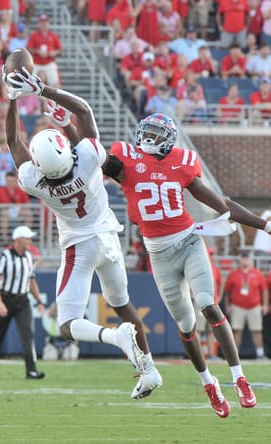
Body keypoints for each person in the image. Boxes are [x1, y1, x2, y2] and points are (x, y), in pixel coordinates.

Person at [2, 66, 162, 400]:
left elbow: (13, 141)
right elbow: (84, 112)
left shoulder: (36, 182)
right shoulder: (87, 159)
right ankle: (149, 370)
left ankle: (116, 338)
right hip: (109, 239)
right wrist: (44, 91)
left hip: (79, 246)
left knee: (67, 324)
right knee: (123, 304)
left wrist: (12, 99)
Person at [104, 112, 271, 417]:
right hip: (159, 255)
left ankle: (239, 377)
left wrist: (264, 225)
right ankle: (209, 383)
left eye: (156, 134)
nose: (149, 139)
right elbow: (95, 157)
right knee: (186, 324)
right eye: (148, 132)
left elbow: (222, 204)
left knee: (208, 304)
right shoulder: (125, 159)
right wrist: (68, 126)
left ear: (169, 140)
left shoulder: (182, 163)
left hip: (190, 243)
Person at [0, 225, 46, 380]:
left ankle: (31, 370)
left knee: (27, 335)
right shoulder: (4, 257)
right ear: (18, 240)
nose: (30, 241)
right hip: (5, 298)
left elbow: (31, 281)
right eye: (27, 238)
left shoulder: (29, 257)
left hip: (23, 300)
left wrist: (38, 300)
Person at [222, 250, 269, 359]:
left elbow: (264, 290)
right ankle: (234, 355)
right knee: (237, 330)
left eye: (246, 258)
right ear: (240, 259)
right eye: (243, 258)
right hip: (237, 306)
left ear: (250, 259)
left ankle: (260, 353)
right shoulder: (233, 274)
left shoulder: (257, 273)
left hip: (254, 306)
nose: (245, 260)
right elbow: (227, 291)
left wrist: (265, 305)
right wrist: (227, 305)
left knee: (257, 330)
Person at [194, 247, 223, 360]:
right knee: (199, 329)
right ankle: (198, 355)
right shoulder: (197, 267)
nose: (210, 256)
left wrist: (219, 295)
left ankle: (211, 354)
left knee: (212, 329)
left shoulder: (215, 269)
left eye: (211, 254)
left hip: (213, 302)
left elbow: (220, 283)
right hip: (200, 302)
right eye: (208, 254)